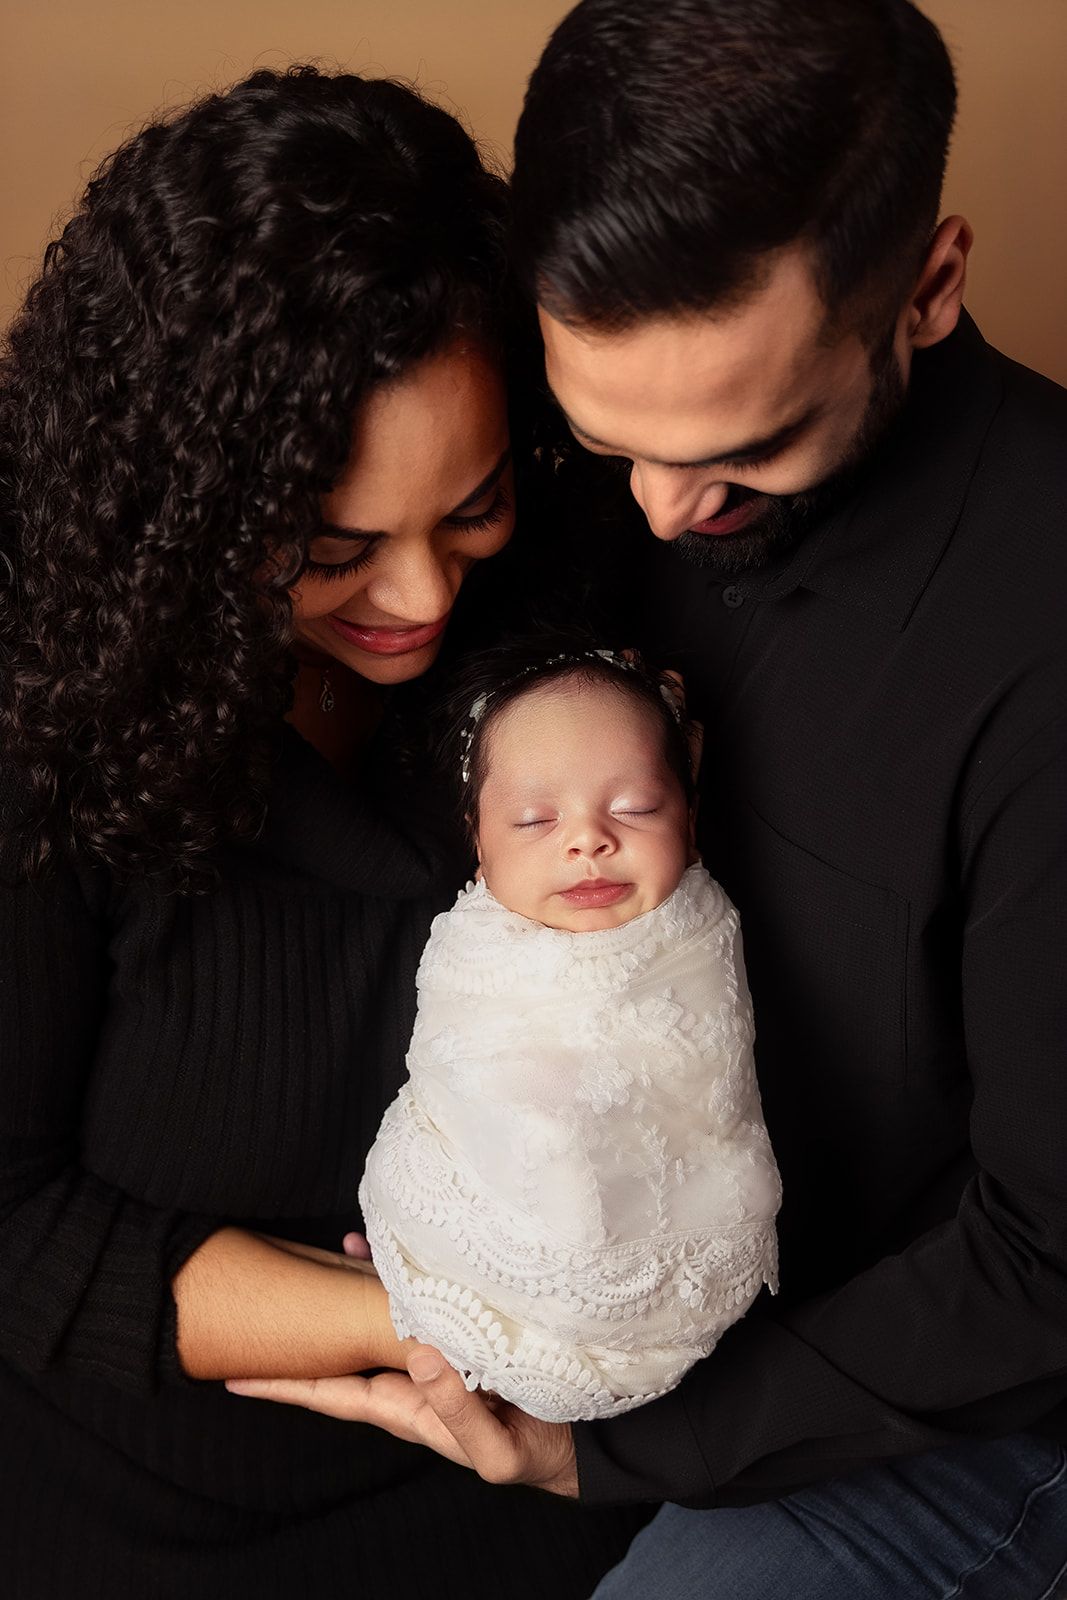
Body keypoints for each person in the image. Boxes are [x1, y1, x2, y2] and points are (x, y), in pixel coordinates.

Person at [234, 5, 1067, 1596]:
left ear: (931, 285)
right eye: (607, 440)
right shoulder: (578, 466)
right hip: (611, 1288)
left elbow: (1041, 1264)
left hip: (952, 1400)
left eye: (741, 457)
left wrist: (605, 1449)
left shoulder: (1034, 638)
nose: (663, 515)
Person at [0, 65, 647, 1597]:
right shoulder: (43, 707)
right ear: (189, 515)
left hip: (553, 1479)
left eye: (469, 508)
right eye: (332, 549)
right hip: (156, 1503)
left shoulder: (580, 578)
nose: (422, 601)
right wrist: (427, 1316)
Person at [357, 645, 780, 1423]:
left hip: (663, 1254)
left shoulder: (696, 935)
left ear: (690, 822)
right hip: (487, 1209)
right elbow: (453, 1073)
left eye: (635, 809)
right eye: (533, 820)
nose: (585, 840)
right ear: (479, 847)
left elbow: (706, 1088)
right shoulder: (474, 947)